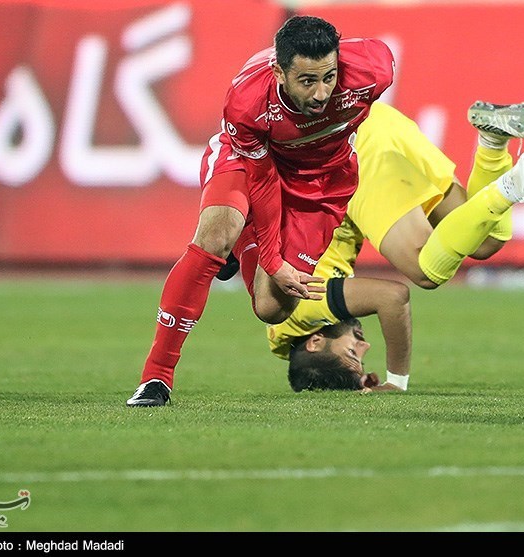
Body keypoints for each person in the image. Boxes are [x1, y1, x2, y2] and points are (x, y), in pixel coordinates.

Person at [126, 15, 395, 407]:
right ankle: (157, 377)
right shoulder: (248, 103)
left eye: (329, 77)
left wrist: (273, 265)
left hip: (321, 184)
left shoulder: (374, 69)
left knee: (272, 309)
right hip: (252, 163)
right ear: (279, 71)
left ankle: (240, 248)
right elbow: (263, 182)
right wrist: (271, 258)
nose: (321, 94)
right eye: (307, 81)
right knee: (216, 234)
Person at [259, 100, 524, 392]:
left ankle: (515, 184)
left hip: (352, 156)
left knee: (425, 271)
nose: (365, 345)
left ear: (314, 342)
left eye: (353, 353)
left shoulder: (295, 311)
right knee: (486, 241)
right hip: (378, 124)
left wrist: (397, 379)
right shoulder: (283, 322)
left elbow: (392, 298)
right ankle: (492, 144)